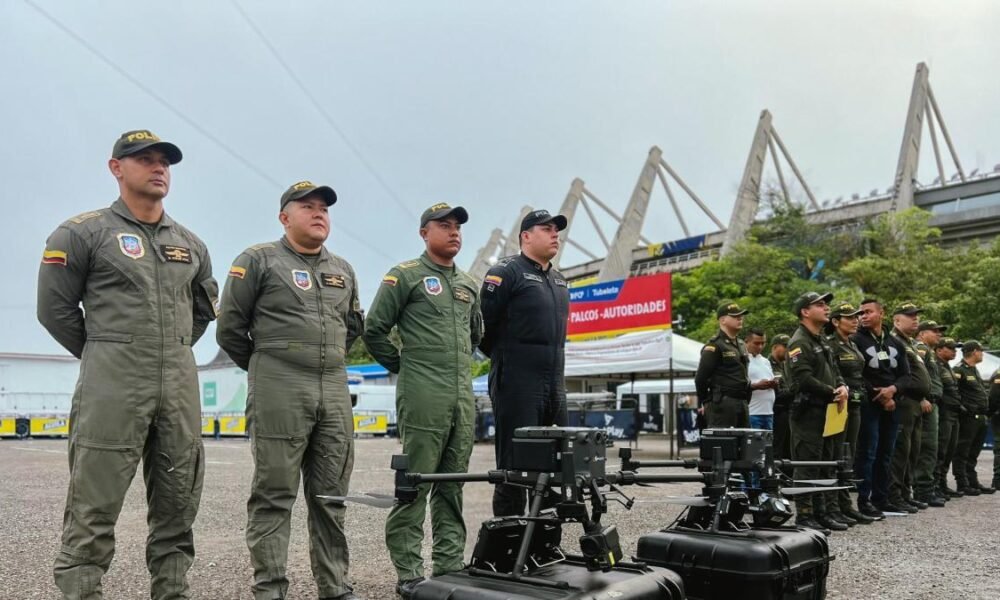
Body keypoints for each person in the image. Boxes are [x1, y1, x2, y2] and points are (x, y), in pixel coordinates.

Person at [37, 130, 218, 600]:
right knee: (93, 506)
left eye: (165, 162)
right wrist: (108, 352)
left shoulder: (191, 245)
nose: (159, 168)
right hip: (112, 384)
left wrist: (167, 349)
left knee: (178, 505)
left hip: (177, 384)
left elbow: (202, 312)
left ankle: (172, 591)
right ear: (116, 167)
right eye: (145, 160)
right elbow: (54, 310)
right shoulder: (81, 233)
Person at [216, 181, 363, 600]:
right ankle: (270, 589)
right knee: (274, 494)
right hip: (279, 385)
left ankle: (334, 586)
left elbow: (351, 328)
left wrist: (323, 360)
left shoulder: (343, 269)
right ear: (284, 217)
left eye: (325, 209)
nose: (319, 214)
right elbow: (230, 328)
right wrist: (270, 366)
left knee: (332, 495)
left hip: (332, 387)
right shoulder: (259, 260)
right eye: (308, 207)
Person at [364, 203, 483, 596]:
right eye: (444, 225)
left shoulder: (468, 283)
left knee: (452, 484)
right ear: (423, 233)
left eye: (458, 227)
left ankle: (449, 566)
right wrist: (407, 365)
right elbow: (375, 329)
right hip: (423, 394)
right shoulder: (405, 276)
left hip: (461, 396)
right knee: (415, 484)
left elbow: (475, 335)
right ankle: (410, 571)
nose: (454, 232)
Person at [479, 209, 570, 517]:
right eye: (547, 229)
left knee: (556, 465)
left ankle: (544, 543)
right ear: (526, 236)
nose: (555, 233)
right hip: (517, 383)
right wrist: (511, 361)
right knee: (515, 467)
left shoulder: (560, 280)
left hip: (555, 384)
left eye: (556, 229)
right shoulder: (506, 272)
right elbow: (482, 328)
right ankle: (508, 545)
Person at [786, 292, 849, 534]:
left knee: (826, 463)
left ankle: (822, 513)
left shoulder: (820, 339)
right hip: (808, 411)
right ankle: (804, 516)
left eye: (826, 304)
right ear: (805, 312)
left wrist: (842, 386)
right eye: (820, 305)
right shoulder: (799, 342)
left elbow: (835, 369)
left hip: (828, 410)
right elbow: (802, 378)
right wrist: (833, 391)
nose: (827, 308)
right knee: (807, 464)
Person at [851, 298, 910, 519]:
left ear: (881, 313)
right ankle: (863, 500)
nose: (863, 316)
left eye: (868, 312)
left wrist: (893, 390)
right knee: (868, 452)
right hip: (870, 404)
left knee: (886, 454)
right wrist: (881, 396)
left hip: (893, 404)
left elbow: (907, 375)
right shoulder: (855, 341)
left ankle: (881, 499)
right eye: (860, 313)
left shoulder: (895, 343)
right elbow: (857, 374)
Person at [826, 302, 876, 524]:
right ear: (836, 321)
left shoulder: (852, 344)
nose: (855, 320)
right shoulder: (831, 345)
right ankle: (833, 506)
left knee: (849, 455)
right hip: (839, 405)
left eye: (856, 316)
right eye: (849, 317)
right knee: (836, 454)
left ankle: (845, 504)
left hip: (855, 404)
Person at [887, 303, 932, 512]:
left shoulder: (910, 343)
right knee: (900, 451)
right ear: (896, 320)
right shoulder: (893, 341)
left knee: (912, 450)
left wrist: (922, 396)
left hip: (915, 402)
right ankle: (893, 495)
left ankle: (906, 492)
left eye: (916, 316)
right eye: (909, 316)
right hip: (903, 401)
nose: (915, 319)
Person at [695, 302, 751, 428]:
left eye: (741, 315)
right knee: (725, 444)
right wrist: (706, 402)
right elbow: (700, 378)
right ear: (723, 320)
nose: (740, 318)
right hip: (723, 404)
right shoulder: (715, 346)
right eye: (735, 316)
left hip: (742, 401)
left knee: (745, 445)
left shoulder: (741, 344)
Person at [951, 340, 996, 496]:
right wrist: (963, 408)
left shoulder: (974, 370)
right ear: (974, 352)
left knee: (973, 452)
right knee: (963, 450)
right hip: (969, 417)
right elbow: (953, 391)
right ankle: (962, 483)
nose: (982, 354)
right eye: (980, 351)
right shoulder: (959, 369)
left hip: (981, 416)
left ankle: (972, 481)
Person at [913, 321, 947, 506]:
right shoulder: (920, 349)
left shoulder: (929, 351)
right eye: (935, 331)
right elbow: (916, 375)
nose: (938, 335)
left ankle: (927, 488)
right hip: (925, 404)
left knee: (931, 449)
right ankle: (923, 490)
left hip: (933, 404)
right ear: (922, 333)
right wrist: (921, 398)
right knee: (927, 448)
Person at [935, 338, 965, 497]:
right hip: (944, 412)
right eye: (951, 348)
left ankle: (943, 483)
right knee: (941, 449)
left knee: (950, 450)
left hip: (954, 412)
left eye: (955, 349)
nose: (954, 351)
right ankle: (935, 485)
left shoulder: (947, 367)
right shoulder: (935, 365)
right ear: (939, 350)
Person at [746, 329, 778, 430]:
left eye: (762, 343)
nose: (760, 346)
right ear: (747, 341)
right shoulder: (743, 360)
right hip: (752, 412)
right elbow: (737, 385)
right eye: (756, 343)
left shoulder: (765, 361)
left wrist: (774, 384)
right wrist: (756, 385)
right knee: (754, 445)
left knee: (768, 445)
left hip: (769, 412)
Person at [770, 334, 794, 464]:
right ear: (774, 347)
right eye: (785, 346)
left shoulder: (788, 366)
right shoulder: (767, 364)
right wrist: (794, 391)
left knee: (788, 451)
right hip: (776, 412)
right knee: (776, 450)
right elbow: (775, 394)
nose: (788, 350)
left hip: (789, 412)